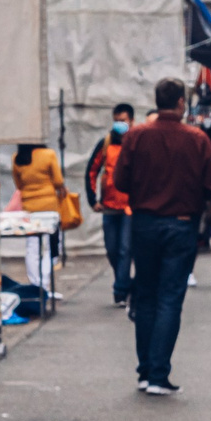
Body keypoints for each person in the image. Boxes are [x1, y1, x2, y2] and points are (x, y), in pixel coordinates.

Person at [112, 78, 211, 396]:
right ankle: (159, 373)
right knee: (170, 298)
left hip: (144, 222)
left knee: (145, 294)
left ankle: (145, 371)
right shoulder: (197, 138)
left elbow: (120, 180)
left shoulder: (136, 135)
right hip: (182, 223)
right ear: (181, 103)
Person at [10, 142, 73, 308]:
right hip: (49, 207)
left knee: (32, 247)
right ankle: (45, 284)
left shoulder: (17, 158)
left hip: (29, 207)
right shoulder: (48, 154)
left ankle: (35, 284)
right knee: (50, 247)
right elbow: (58, 181)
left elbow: (19, 185)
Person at [85, 103, 135, 306]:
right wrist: (92, 199)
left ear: (131, 120)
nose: (119, 124)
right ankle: (125, 282)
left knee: (125, 249)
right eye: (116, 120)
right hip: (108, 206)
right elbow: (92, 170)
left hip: (130, 207)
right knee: (112, 249)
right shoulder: (106, 143)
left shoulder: (137, 142)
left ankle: (120, 291)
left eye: (122, 120)